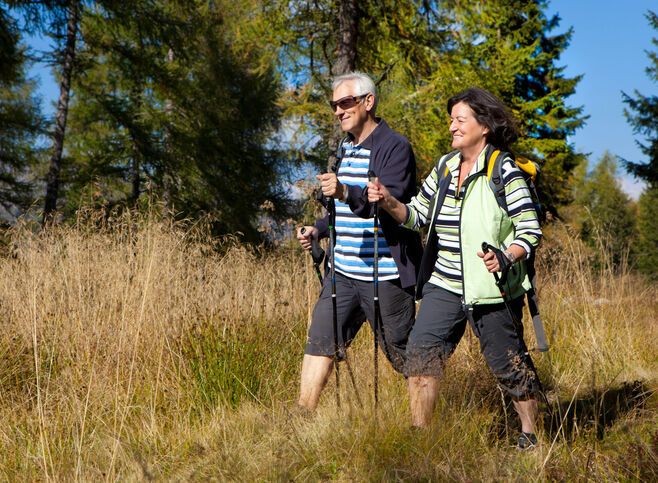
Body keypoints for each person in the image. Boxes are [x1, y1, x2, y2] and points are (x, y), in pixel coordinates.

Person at [368, 87, 543, 449]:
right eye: (451, 120)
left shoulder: (503, 170)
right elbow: (415, 215)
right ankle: (421, 438)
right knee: (421, 356)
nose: (452, 127)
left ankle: (531, 435)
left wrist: (506, 255)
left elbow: (529, 229)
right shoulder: (446, 166)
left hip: (491, 288)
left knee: (508, 363)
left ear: (485, 126)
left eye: (460, 120)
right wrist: (387, 200)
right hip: (442, 285)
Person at [297, 72, 422, 410]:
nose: (338, 110)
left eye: (346, 102)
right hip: (342, 273)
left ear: (368, 102)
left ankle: (422, 431)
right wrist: (319, 229)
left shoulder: (395, 147)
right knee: (320, 341)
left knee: (404, 355)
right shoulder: (346, 147)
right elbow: (342, 209)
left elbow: (387, 204)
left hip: (385, 276)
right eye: (335, 105)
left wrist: (343, 190)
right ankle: (299, 418)